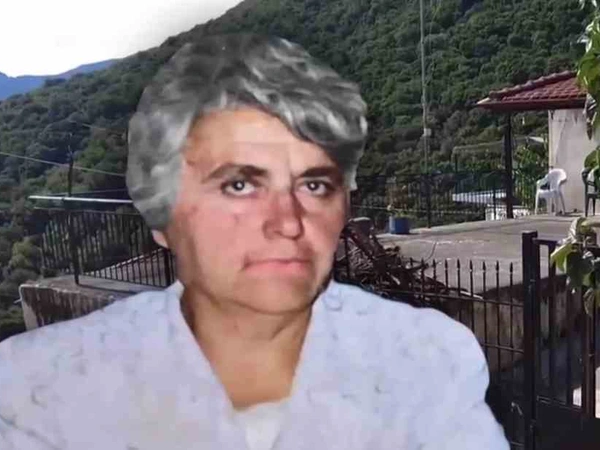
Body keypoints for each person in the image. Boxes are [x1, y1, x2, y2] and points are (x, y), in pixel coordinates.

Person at [0, 34, 509, 450]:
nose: (287, 222)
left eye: (315, 185)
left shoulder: (428, 363)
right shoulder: (46, 396)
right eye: (239, 185)